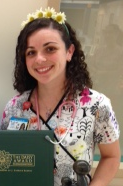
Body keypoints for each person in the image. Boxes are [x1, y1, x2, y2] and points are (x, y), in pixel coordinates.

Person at [1, 7, 120, 186]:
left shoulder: (97, 105)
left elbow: (111, 156)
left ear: (69, 52)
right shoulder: (14, 107)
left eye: (50, 49)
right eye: (31, 52)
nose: (39, 59)